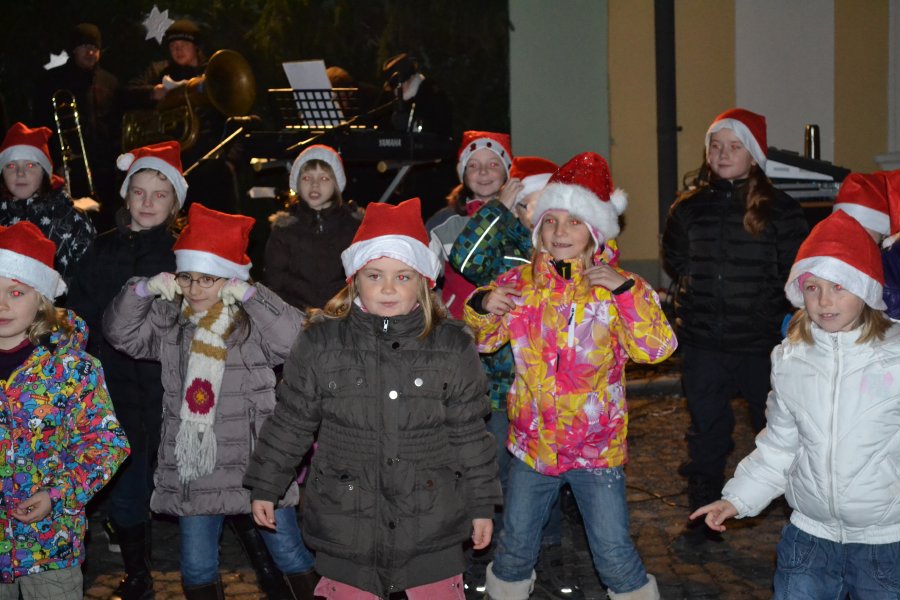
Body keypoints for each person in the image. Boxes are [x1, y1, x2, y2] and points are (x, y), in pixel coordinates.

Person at [243, 198, 503, 599]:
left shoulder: (451, 346)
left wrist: (482, 504)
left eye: (403, 276)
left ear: (424, 281)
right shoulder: (321, 342)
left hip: (430, 522)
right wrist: (266, 483)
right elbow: (292, 420)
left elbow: (469, 433)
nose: (387, 288)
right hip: (347, 521)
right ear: (354, 279)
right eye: (374, 275)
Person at [464, 152, 676, 600]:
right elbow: (485, 341)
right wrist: (482, 306)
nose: (560, 232)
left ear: (595, 232)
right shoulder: (520, 283)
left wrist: (626, 294)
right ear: (538, 229)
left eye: (574, 222)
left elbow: (656, 348)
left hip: (596, 450)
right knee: (515, 549)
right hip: (533, 447)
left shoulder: (617, 287)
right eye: (551, 221)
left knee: (613, 552)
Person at [102, 203, 316, 599]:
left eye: (208, 279)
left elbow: (296, 340)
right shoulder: (171, 322)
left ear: (230, 280)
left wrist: (254, 296)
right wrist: (142, 290)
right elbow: (121, 334)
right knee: (197, 566)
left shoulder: (250, 324)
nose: (195, 289)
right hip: (195, 469)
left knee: (288, 554)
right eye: (187, 278)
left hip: (256, 467)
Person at [691, 209, 900, 599]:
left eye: (839, 286)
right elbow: (780, 448)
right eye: (812, 287)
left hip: (886, 542)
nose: (824, 300)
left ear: (866, 289)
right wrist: (737, 499)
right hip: (810, 538)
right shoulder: (791, 359)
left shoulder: (895, 358)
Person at [661, 108, 808, 540]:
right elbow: (677, 260)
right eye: (716, 146)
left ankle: (800, 512)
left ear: (754, 154)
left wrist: (770, 315)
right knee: (707, 431)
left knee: (778, 429)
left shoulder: (781, 210)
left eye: (734, 146)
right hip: (705, 343)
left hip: (761, 344)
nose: (723, 154)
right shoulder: (688, 208)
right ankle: (704, 515)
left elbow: (794, 272)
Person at [448, 155, 581, 595]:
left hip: (551, 393)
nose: (538, 215)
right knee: (498, 473)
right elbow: (464, 258)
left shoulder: (567, 251)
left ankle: (549, 551)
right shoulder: (503, 241)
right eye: (527, 204)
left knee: (546, 474)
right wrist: (498, 209)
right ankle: (492, 553)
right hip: (501, 386)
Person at [0, 221, 129, 599]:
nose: (2, 304)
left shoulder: (72, 370)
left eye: (16, 292)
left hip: (50, 546)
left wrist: (58, 493)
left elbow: (106, 443)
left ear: (41, 299)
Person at [123, 19, 236, 214]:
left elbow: (235, 115)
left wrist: (232, 160)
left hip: (212, 166)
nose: (178, 50)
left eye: (184, 44)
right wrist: (152, 92)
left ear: (196, 47)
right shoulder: (159, 71)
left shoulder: (213, 73)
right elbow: (125, 94)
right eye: (173, 46)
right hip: (172, 167)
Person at [32, 23, 122, 230]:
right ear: (73, 49)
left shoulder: (110, 82)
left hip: (105, 172)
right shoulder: (51, 81)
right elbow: (42, 126)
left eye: (95, 47)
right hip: (68, 171)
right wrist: (55, 164)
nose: (90, 52)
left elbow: (116, 125)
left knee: (106, 225)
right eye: (84, 46)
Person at [264, 145, 361, 310]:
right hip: (296, 314)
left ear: (336, 184)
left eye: (324, 178)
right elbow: (275, 280)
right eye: (306, 178)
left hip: (344, 312)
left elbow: (363, 276)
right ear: (297, 183)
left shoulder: (353, 227)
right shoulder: (285, 229)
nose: (314, 184)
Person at [427, 131, 512, 318]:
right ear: (463, 174)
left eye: (493, 164)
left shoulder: (521, 219)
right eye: (473, 165)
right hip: (459, 324)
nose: (483, 171)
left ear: (507, 171)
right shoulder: (443, 223)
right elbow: (421, 277)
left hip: (513, 324)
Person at [0, 122, 96, 283]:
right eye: (10, 165)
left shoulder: (71, 219)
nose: (20, 173)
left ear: (45, 172)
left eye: (30, 165)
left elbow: (92, 276)